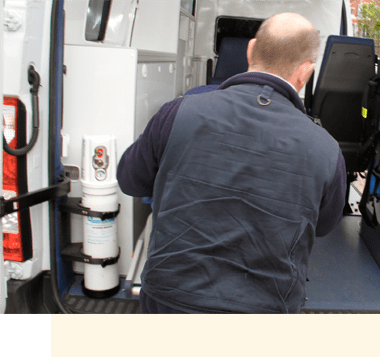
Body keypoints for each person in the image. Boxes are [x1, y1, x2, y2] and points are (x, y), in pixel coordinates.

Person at [117, 13, 347, 314]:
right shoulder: (327, 150)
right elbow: (324, 225)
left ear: (250, 50)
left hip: (169, 300)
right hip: (265, 310)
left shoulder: (177, 113)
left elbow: (129, 180)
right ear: (306, 71)